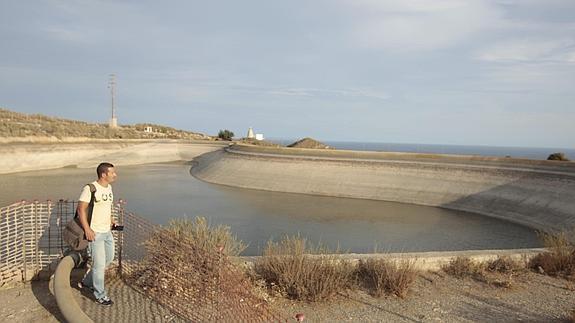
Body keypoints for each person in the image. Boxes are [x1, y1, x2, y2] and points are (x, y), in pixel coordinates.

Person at [77, 162, 118, 306]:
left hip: (107, 231)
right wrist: (87, 229)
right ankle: (100, 295)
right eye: (112, 173)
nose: (115, 175)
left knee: (109, 258)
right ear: (103, 174)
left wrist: (111, 219)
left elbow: (107, 206)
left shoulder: (109, 188)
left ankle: (86, 282)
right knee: (100, 265)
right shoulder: (90, 189)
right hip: (95, 234)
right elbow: (81, 210)